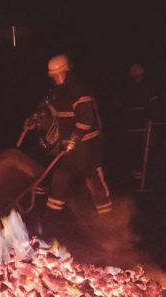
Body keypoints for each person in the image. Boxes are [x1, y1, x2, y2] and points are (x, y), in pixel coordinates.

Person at [24, 54, 112, 215]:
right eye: (54, 76)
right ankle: (52, 212)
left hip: (87, 144)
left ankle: (105, 212)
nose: (57, 78)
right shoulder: (56, 94)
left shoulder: (80, 92)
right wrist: (36, 119)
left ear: (69, 72)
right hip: (68, 144)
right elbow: (48, 110)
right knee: (61, 174)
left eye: (60, 74)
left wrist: (74, 137)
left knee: (92, 177)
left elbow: (86, 120)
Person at [117, 63, 159, 181]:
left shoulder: (147, 89)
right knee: (132, 152)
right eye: (134, 76)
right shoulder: (126, 90)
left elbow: (153, 108)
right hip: (130, 128)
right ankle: (133, 178)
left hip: (144, 128)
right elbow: (120, 108)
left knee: (143, 152)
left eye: (138, 75)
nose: (137, 78)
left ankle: (143, 178)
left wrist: (152, 123)